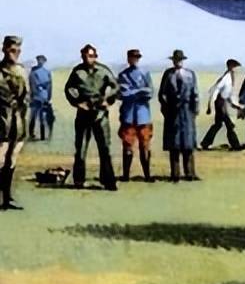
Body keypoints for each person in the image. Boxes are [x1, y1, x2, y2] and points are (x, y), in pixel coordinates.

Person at [65, 44, 120, 191]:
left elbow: (115, 87)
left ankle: (108, 181)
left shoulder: (103, 71)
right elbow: (69, 88)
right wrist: (77, 102)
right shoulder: (77, 71)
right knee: (81, 149)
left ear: (95, 56)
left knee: (105, 148)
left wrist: (108, 101)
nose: (87, 59)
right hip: (84, 113)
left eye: (90, 56)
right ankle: (79, 180)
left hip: (100, 114)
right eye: (84, 56)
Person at [158, 50, 199, 182]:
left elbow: (195, 93)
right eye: (176, 60)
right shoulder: (168, 74)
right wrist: (166, 109)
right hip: (172, 112)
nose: (178, 62)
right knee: (174, 144)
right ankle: (175, 174)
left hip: (187, 111)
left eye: (180, 60)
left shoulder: (190, 74)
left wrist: (195, 110)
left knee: (188, 143)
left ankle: (190, 173)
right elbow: (162, 94)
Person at [0, 36, 29, 210]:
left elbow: (26, 95)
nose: (15, 53)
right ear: (4, 49)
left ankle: (7, 198)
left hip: (18, 122)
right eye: (12, 50)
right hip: (2, 121)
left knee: (12, 160)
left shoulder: (21, 71)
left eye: (18, 50)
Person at [117, 49, 154, 182]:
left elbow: (150, 92)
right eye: (132, 57)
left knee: (145, 146)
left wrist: (133, 92)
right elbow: (121, 93)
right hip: (128, 115)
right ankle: (126, 175)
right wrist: (138, 92)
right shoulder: (123, 75)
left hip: (143, 116)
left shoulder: (145, 73)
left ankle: (147, 175)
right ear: (128, 59)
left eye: (137, 57)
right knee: (127, 145)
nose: (134, 60)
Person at [200, 59, 243, 151]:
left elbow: (229, 94)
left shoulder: (230, 77)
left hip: (222, 102)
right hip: (220, 103)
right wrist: (210, 105)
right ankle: (235, 145)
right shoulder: (226, 78)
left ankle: (205, 143)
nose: (235, 69)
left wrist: (236, 105)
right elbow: (216, 90)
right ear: (230, 67)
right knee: (229, 125)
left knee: (218, 124)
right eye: (234, 67)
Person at [28, 54, 53, 141]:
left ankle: (42, 136)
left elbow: (50, 85)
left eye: (42, 60)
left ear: (44, 61)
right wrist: (33, 95)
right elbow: (32, 84)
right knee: (34, 116)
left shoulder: (47, 72)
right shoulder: (33, 71)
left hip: (44, 96)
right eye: (39, 60)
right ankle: (32, 134)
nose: (40, 61)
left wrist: (49, 97)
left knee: (42, 117)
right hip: (36, 97)